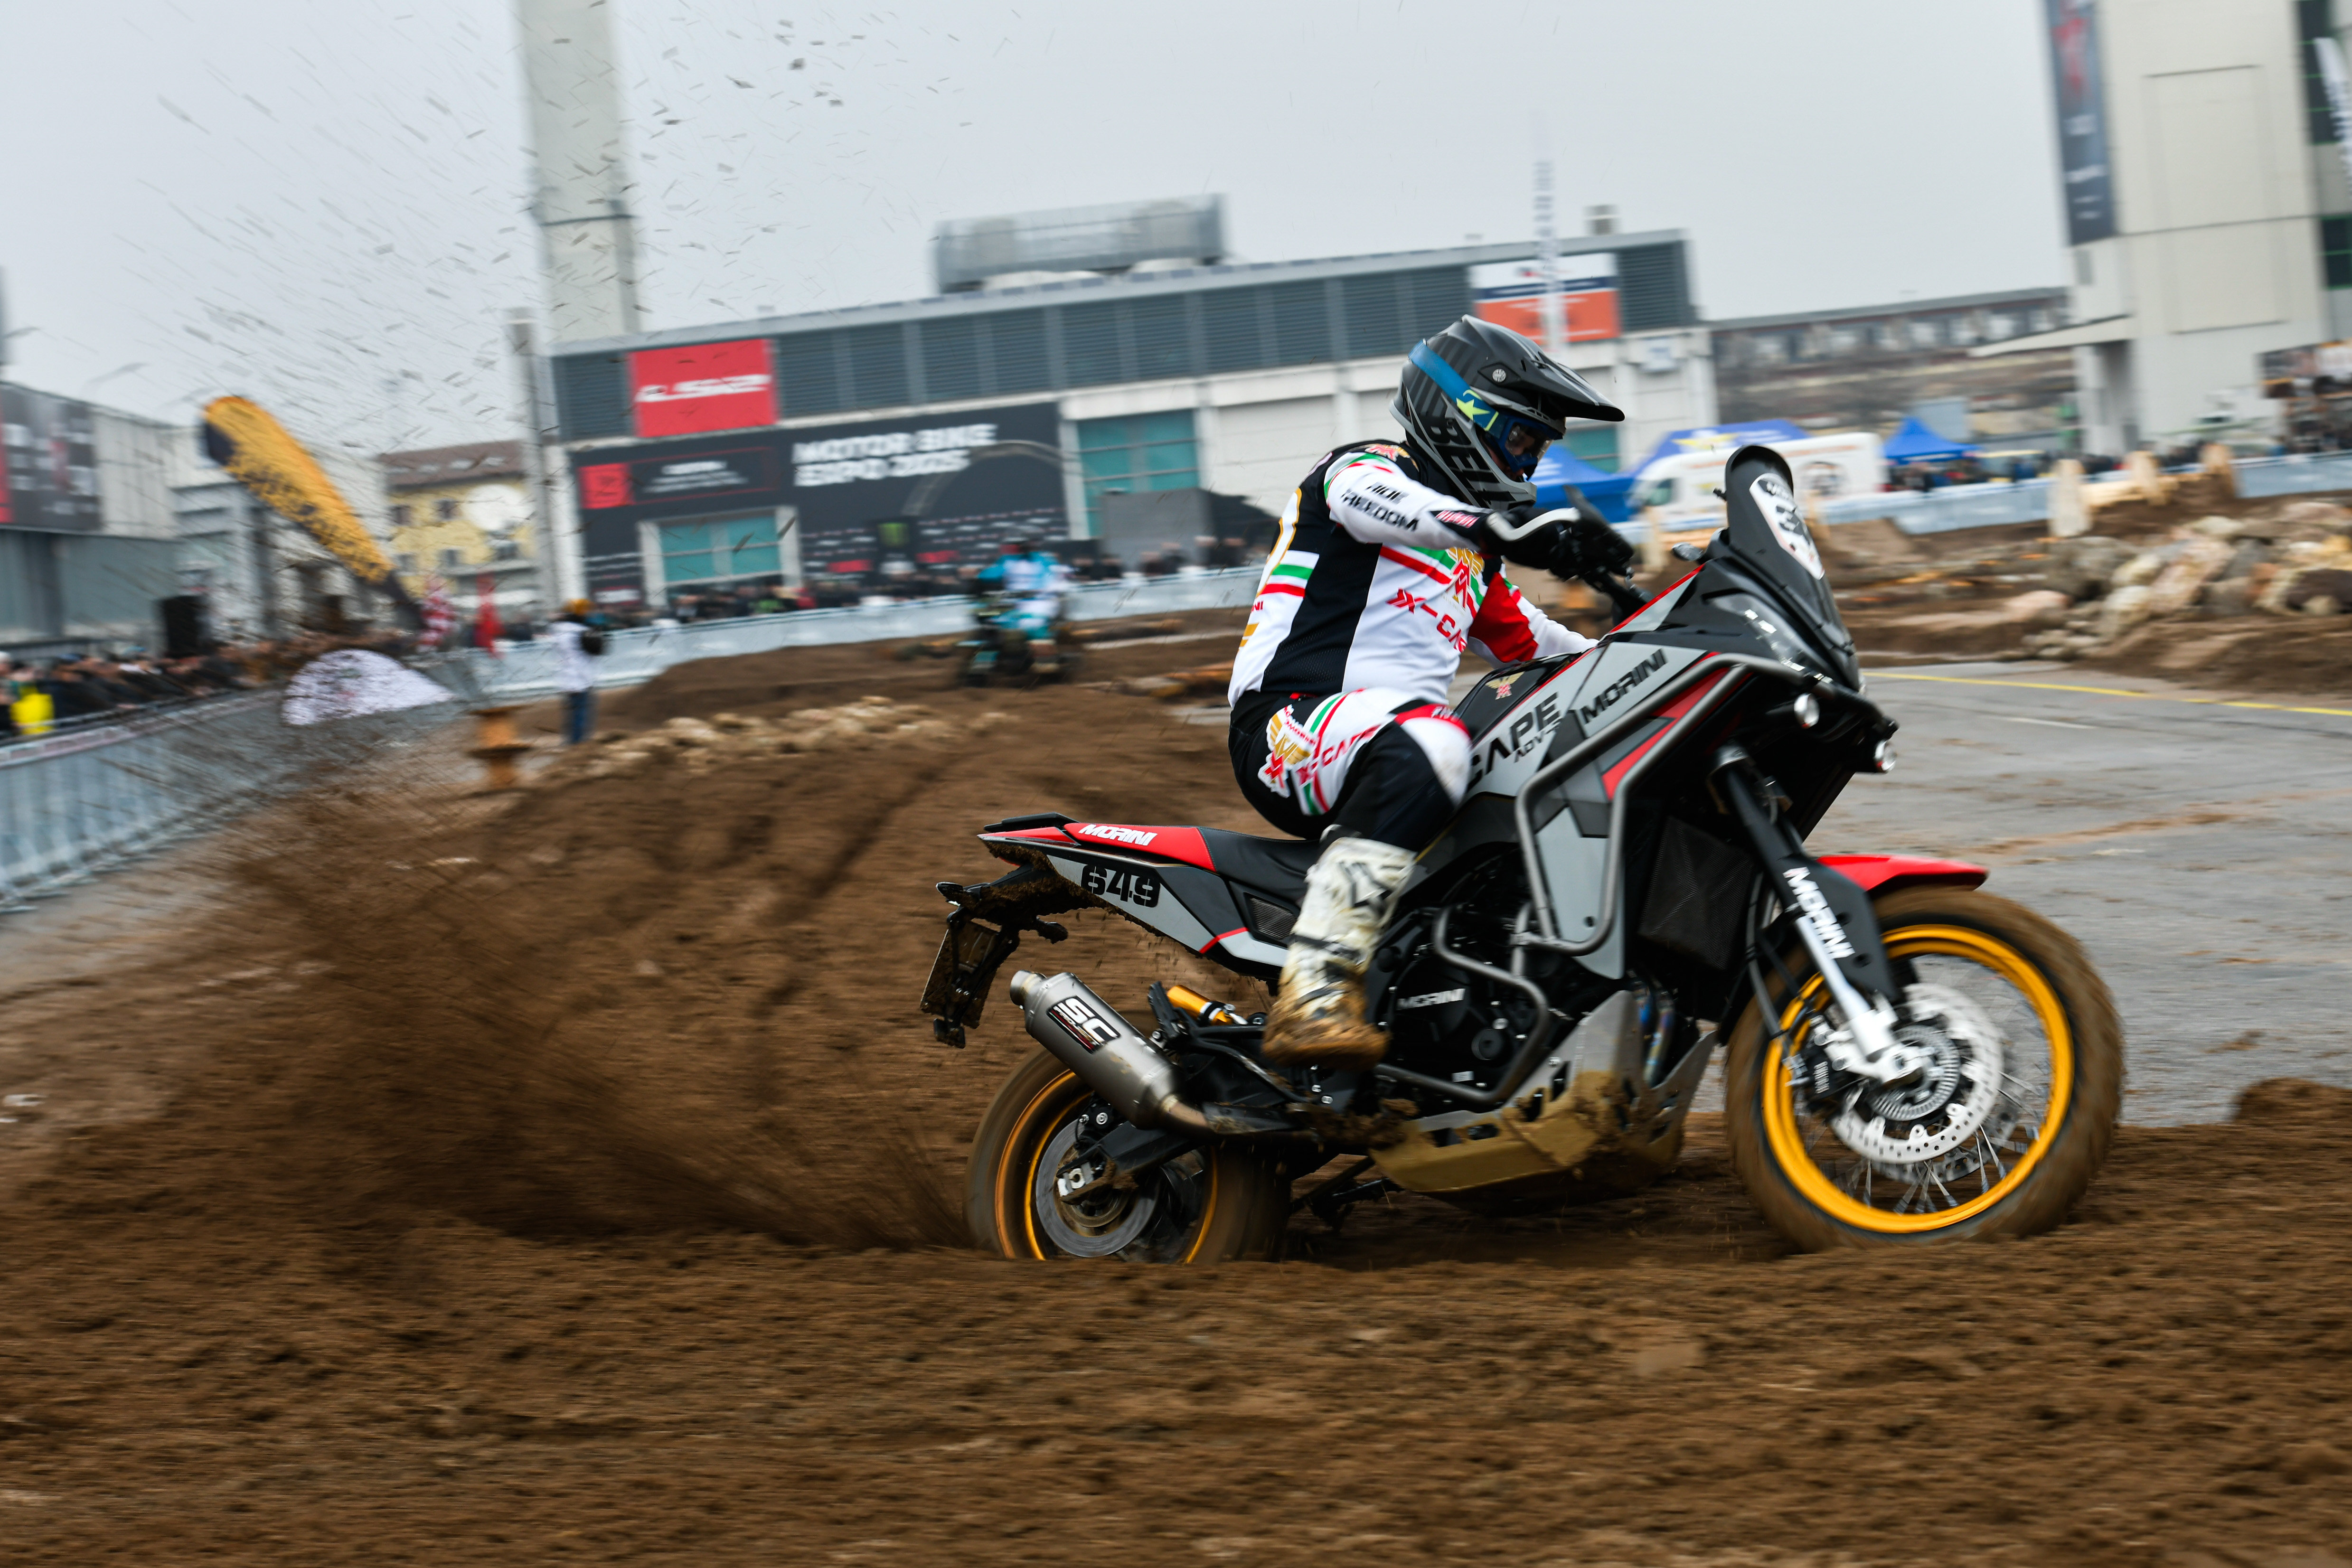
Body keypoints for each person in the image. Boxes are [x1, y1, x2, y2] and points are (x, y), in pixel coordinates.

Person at [1228, 314, 1633, 1069]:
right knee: (1437, 739)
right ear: (1461, 414)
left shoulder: (1471, 561)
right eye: (1521, 440)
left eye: (1539, 449)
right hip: (1285, 727)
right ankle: (1314, 986)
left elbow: (1546, 646)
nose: (1529, 463)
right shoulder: (1362, 470)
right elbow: (1384, 504)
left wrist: (1654, 645)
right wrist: (1500, 528)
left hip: (1377, 743)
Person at [976, 537, 1073, 676]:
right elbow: (989, 576)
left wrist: (1039, 592)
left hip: (1038, 603)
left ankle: (1047, 666)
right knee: (990, 629)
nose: (1012, 551)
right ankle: (979, 670)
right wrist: (983, 583)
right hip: (1012, 604)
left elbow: (1052, 583)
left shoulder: (1044, 562)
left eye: (1015, 547)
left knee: (1035, 628)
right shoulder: (1006, 561)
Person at [548, 598, 602, 745]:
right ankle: (578, 744)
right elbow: (594, 652)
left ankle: (572, 741)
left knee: (573, 714)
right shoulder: (579, 633)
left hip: (568, 680)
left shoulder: (561, 632)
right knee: (581, 714)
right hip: (579, 680)